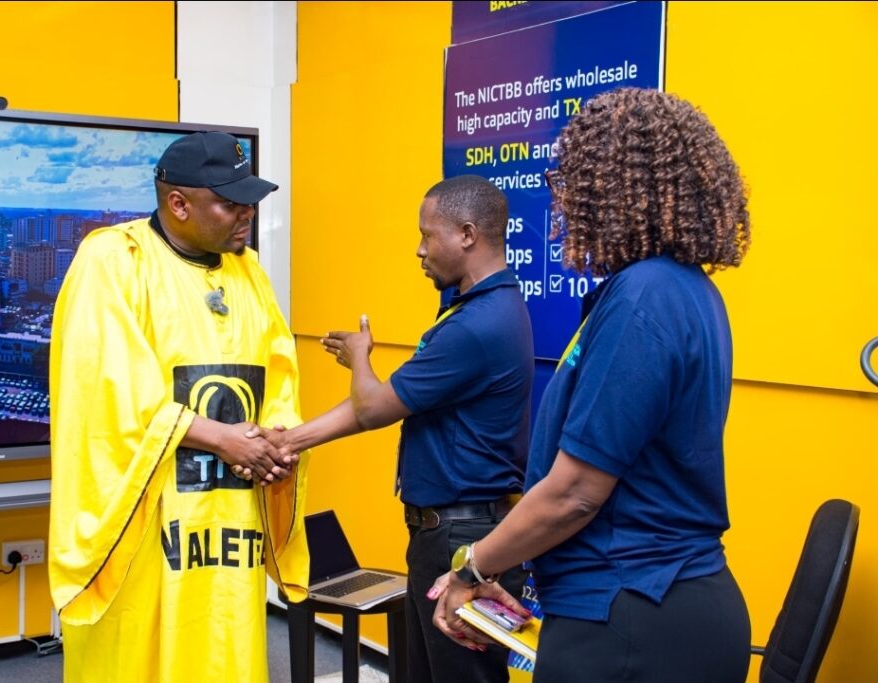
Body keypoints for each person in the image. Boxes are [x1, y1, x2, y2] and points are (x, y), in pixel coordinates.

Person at [432, 87, 753, 683]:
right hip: (649, 606)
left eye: (570, 180)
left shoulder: (644, 297)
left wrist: (471, 568)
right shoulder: (682, 290)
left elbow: (576, 491)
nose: (561, 199)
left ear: (614, 186)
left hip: (633, 618)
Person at [47, 131, 310, 683]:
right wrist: (223, 438)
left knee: (222, 640)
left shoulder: (248, 271)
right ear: (179, 204)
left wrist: (276, 441)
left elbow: (278, 373)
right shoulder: (113, 260)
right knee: (136, 651)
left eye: (250, 203)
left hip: (228, 515)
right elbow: (108, 388)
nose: (247, 215)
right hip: (147, 518)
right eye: (231, 203)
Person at [277, 174, 534, 683]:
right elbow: (395, 397)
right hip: (446, 533)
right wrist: (290, 441)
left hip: (461, 538)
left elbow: (373, 408)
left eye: (426, 235)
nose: (419, 250)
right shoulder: (479, 310)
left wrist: (359, 357)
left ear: (467, 234)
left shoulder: (477, 326)